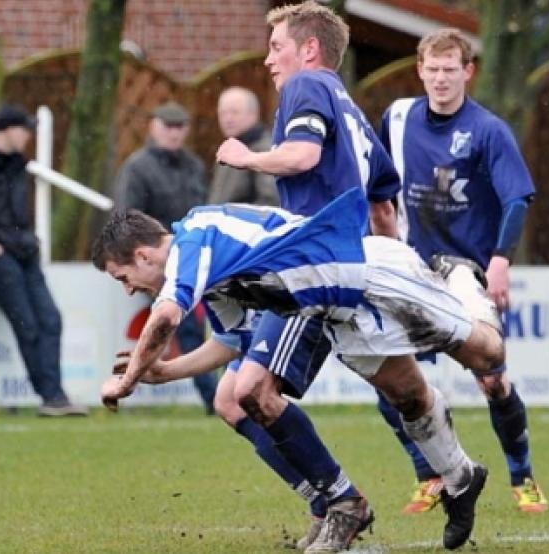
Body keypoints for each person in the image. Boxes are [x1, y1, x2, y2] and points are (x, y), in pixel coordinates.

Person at [94, 188, 501, 552]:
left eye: (123, 277)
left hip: (360, 272)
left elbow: (165, 317)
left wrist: (127, 381)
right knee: (406, 395)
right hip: (330, 311)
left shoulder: (194, 239)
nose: (129, 289)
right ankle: (461, 477)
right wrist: (162, 372)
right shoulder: (211, 275)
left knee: (487, 354)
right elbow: (231, 342)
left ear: (144, 256)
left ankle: (460, 274)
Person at [208, 2, 400, 551]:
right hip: (317, 259)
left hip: (313, 262)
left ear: (309, 49)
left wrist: (246, 156)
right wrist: (389, 263)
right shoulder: (350, 106)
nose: (269, 60)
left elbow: (301, 156)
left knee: (253, 391)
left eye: (276, 47)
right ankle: (329, 499)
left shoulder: (306, 86)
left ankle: (344, 502)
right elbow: (384, 202)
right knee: (231, 397)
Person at [378, 28, 548, 513]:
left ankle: (523, 477)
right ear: (420, 70)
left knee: (492, 380)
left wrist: (500, 260)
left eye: (450, 69)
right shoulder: (398, 118)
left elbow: (516, 197)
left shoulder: (489, 130)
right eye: (431, 69)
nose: (440, 79)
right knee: (387, 377)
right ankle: (428, 476)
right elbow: (374, 186)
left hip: (467, 273)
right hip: (411, 269)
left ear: (467, 71)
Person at [0, 104, 87, 417]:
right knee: (29, 326)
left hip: (23, 253)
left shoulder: (16, 166)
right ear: (6, 130)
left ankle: (55, 394)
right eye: (24, 129)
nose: (28, 136)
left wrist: (28, 238)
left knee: (50, 320)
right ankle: (50, 395)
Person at [113, 101, 218, 414]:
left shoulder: (193, 165)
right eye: (168, 126)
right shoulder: (137, 168)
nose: (174, 133)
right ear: (153, 128)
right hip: (158, 263)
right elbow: (127, 219)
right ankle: (213, 396)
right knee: (184, 327)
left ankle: (218, 393)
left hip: (199, 257)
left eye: (179, 126)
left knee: (211, 328)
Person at [210, 87, 279, 206]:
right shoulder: (227, 150)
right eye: (223, 113)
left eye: (235, 112)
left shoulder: (264, 151)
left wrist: (230, 220)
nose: (228, 119)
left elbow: (270, 202)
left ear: (253, 114)